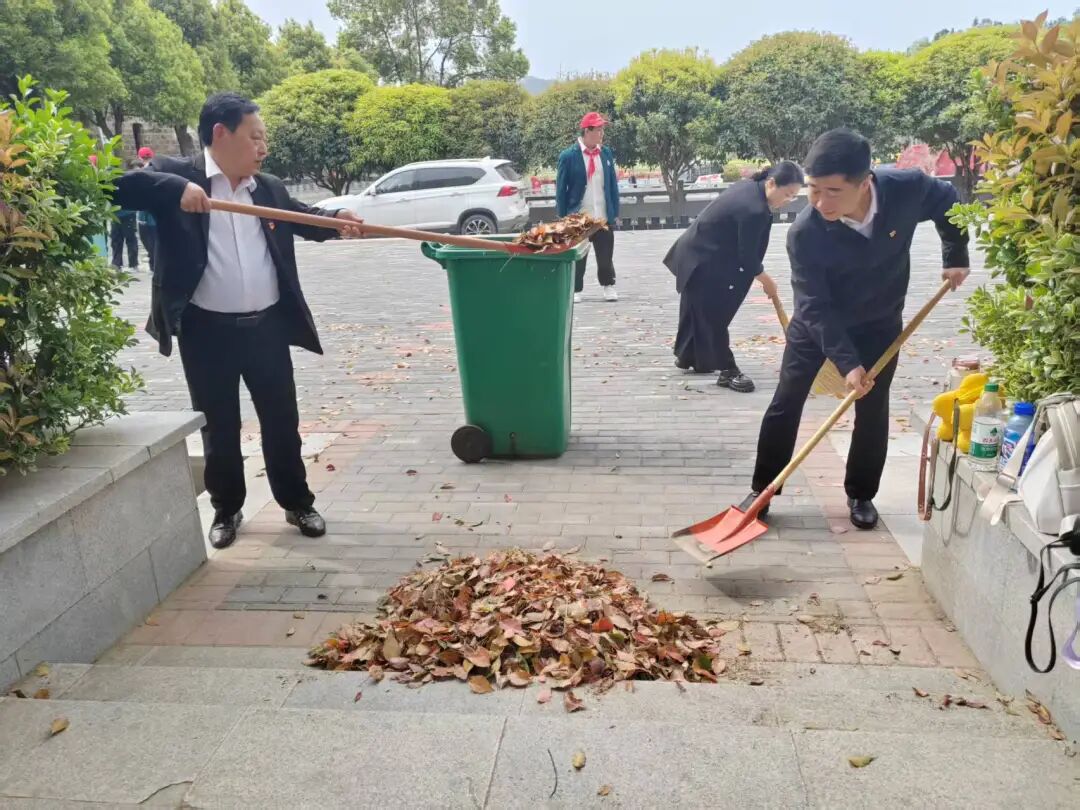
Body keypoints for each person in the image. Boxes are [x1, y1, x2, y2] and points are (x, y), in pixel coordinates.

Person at [114, 92, 364, 549]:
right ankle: (226, 508)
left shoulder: (265, 188)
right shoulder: (178, 175)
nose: (263, 147)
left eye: (264, 138)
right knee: (219, 427)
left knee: (281, 420)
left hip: (266, 328)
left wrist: (336, 220)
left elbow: (301, 217)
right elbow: (117, 185)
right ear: (220, 133)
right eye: (255, 137)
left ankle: (297, 501)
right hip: (205, 332)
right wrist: (173, 190)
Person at [742, 129, 970, 530]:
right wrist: (847, 363)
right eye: (813, 189)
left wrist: (956, 254)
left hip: (880, 321)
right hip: (818, 325)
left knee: (873, 405)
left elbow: (948, 200)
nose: (820, 202)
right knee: (787, 400)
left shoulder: (906, 188)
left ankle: (861, 493)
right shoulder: (806, 233)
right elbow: (814, 305)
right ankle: (762, 490)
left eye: (833, 191)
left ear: (865, 183)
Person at [664, 161, 804, 392]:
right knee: (713, 315)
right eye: (788, 194)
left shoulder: (751, 187)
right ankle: (728, 370)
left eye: (794, 196)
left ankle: (689, 356)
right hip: (702, 259)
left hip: (700, 252)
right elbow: (747, 256)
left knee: (698, 309)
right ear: (771, 183)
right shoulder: (754, 209)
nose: (789, 200)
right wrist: (766, 280)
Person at [555, 111, 621, 304]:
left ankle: (608, 285)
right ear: (587, 131)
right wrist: (563, 216)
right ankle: (575, 289)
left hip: (602, 214)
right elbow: (561, 189)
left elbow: (612, 185)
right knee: (578, 256)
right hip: (579, 215)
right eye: (598, 130)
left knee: (605, 254)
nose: (601, 133)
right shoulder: (568, 156)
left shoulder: (605, 153)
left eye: (602, 129)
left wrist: (615, 211)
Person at [110, 160, 140, 270]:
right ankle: (117, 263)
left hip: (127, 213)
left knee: (129, 239)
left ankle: (132, 263)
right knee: (117, 239)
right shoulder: (111, 183)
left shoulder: (125, 181)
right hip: (116, 214)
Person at [136, 147, 158, 274]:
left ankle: (154, 266)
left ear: (139, 158)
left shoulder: (141, 174)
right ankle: (154, 266)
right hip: (154, 216)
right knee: (154, 242)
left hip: (147, 216)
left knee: (150, 243)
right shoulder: (158, 170)